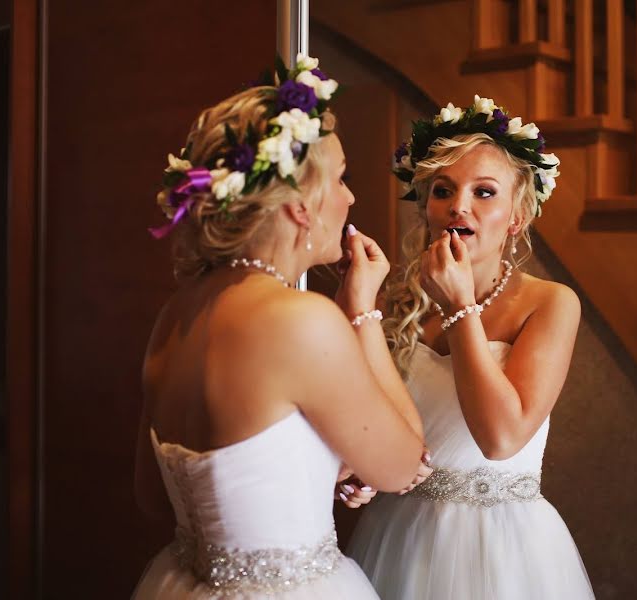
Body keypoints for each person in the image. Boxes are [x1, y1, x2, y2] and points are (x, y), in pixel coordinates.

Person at [132, 55, 425, 599]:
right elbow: (405, 464)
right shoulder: (302, 319)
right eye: (341, 179)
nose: (351, 198)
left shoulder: (176, 313)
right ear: (299, 207)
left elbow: (154, 494)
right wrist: (361, 307)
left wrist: (319, 468)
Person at [344, 97, 595, 599]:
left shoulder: (550, 304)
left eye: (484, 192)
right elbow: (375, 425)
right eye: (443, 191)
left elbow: (501, 438)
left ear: (516, 217)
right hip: (397, 537)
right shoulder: (393, 300)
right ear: (427, 207)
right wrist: (358, 471)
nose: (459, 205)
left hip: (503, 550)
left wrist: (461, 308)